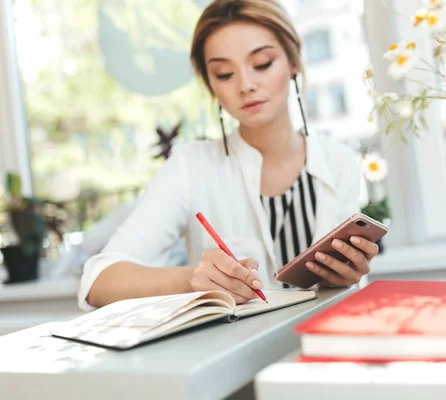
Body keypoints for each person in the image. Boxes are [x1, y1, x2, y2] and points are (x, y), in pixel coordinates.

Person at [78, 0, 380, 311]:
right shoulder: (189, 167)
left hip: (327, 343)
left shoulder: (339, 161)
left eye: (262, 64)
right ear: (211, 84)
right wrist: (190, 281)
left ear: (293, 62)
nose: (246, 85)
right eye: (224, 73)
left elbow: (347, 289)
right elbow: (97, 282)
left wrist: (343, 277)